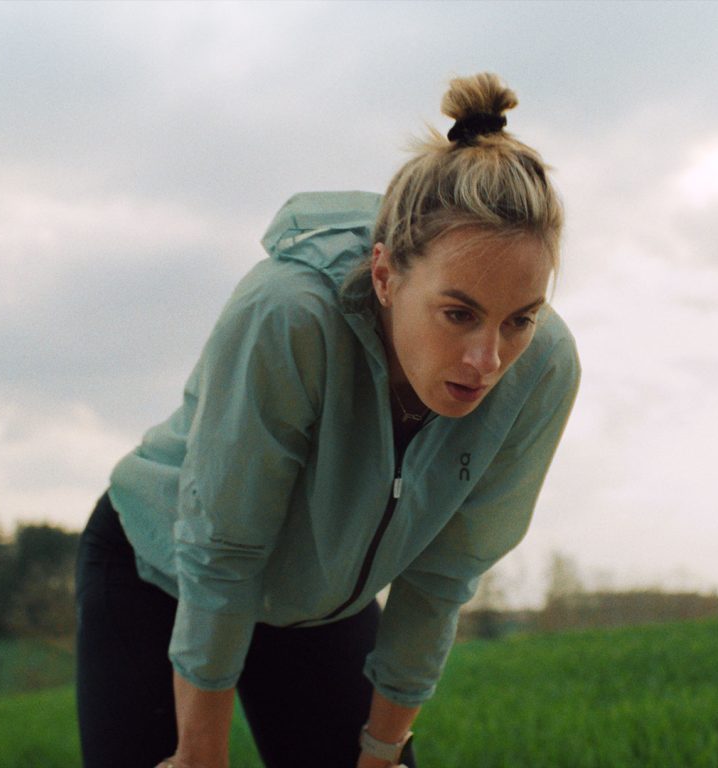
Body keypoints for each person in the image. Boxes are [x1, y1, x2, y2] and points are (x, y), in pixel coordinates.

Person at [75, 72, 580, 768]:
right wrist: (200, 752)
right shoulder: (288, 318)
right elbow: (225, 551)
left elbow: (443, 576)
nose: (487, 360)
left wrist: (381, 750)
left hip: (317, 606)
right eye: (458, 313)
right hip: (165, 568)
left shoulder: (543, 368)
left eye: (520, 319)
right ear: (385, 275)